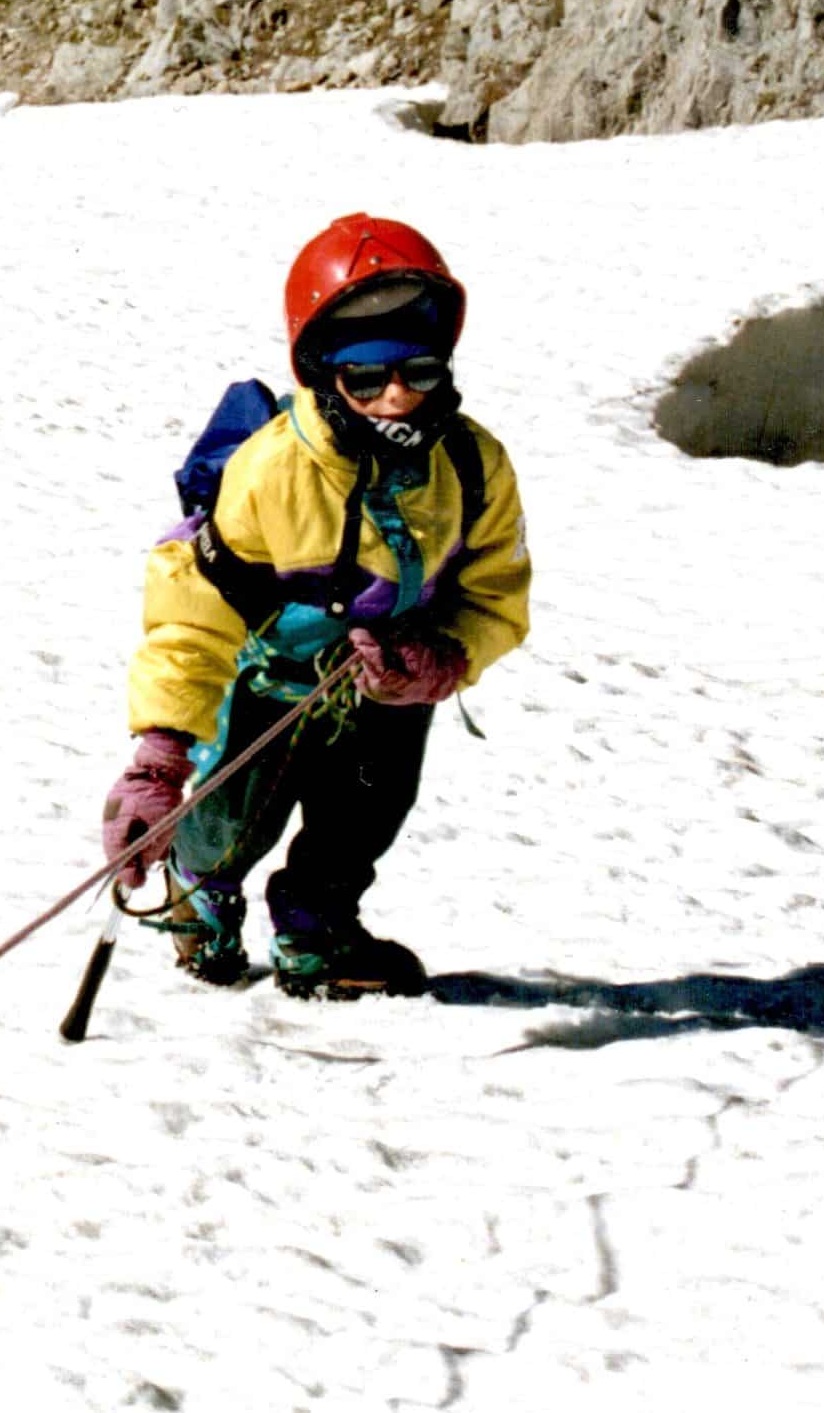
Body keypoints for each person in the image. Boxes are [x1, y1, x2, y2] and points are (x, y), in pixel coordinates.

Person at [100, 213, 533, 999]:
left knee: (365, 813)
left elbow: (497, 592)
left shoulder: (473, 464)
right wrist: (160, 754)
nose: (396, 396)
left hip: (393, 681)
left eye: (419, 370)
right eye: (366, 377)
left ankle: (317, 923)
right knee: (234, 817)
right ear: (321, 371)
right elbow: (193, 614)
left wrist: (448, 657)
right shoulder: (273, 470)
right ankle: (202, 894)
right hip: (271, 678)